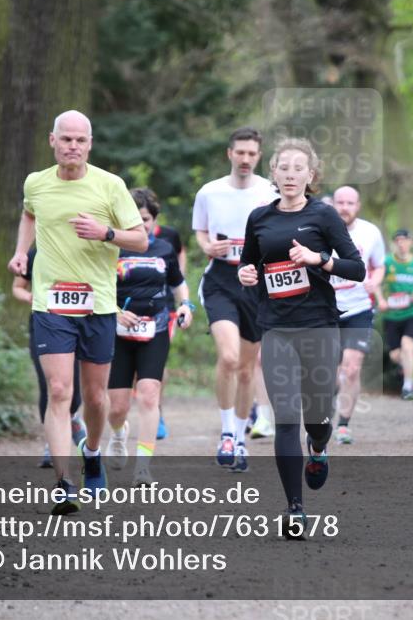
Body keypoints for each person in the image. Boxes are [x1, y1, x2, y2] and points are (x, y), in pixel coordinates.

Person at [7, 110, 146, 515]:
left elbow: (139, 239)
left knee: (96, 398)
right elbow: (30, 212)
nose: (72, 146)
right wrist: (20, 252)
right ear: (52, 141)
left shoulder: (110, 186)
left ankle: (93, 452)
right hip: (50, 302)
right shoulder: (36, 183)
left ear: (90, 144)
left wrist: (105, 233)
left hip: (98, 304)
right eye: (65, 139)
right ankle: (64, 482)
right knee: (60, 392)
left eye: (80, 140)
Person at [238, 137, 365, 538]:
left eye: (299, 168)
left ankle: (320, 446)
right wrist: (246, 276)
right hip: (276, 327)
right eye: (284, 167)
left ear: (311, 175)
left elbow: (357, 269)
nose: (291, 174)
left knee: (317, 415)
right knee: (286, 418)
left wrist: (319, 260)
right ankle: (295, 510)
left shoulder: (324, 216)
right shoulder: (259, 218)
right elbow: (248, 268)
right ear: (273, 173)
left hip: (320, 326)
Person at [192, 127, 277, 472]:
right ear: (230, 154)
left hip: (257, 282)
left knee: (245, 371)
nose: (245, 159)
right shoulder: (209, 192)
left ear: (259, 157)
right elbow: (199, 230)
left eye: (251, 154)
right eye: (239, 152)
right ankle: (226, 433)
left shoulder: (270, 192)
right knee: (228, 358)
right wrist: (206, 246)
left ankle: (240, 439)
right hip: (222, 281)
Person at [104, 188, 193, 485]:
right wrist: (115, 311)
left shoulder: (164, 249)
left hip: (154, 327)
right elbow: (98, 288)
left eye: (145, 219)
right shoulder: (111, 249)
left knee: (148, 394)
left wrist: (185, 306)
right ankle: (118, 434)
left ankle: (143, 465)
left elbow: (178, 283)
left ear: (154, 220)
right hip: (117, 331)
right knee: (117, 406)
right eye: (134, 219)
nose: (140, 225)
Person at [10, 248, 86, 467]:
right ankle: (50, 444)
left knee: (74, 388)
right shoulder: (34, 254)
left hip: (77, 323)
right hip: (43, 323)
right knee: (51, 386)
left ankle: (72, 418)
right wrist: (31, 297)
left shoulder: (79, 250)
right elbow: (17, 288)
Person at [330, 186, 386, 444]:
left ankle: (343, 425)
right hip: (325, 310)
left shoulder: (370, 232)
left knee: (351, 369)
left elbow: (380, 265)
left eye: (350, 203)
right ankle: (327, 404)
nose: (344, 207)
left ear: (358, 206)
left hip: (359, 309)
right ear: (333, 204)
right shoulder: (319, 230)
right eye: (340, 202)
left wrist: (375, 281)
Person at [376, 229, 413, 399]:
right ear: (394, 243)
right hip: (391, 314)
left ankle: (407, 386)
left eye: (404, 240)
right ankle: (412, 373)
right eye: (397, 240)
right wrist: (381, 300)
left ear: (410, 242)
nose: (401, 243)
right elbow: (375, 283)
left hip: (412, 312)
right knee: (395, 355)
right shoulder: (387, 261)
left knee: (407, 345)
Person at [151, 220, 187, 440]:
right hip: (128, 309)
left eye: (145, 216)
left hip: (164, 307)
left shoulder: (169, 235)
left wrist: (177, 279)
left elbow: (180, 254)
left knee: (156, 361)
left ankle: (157, 412)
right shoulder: (120, 237)